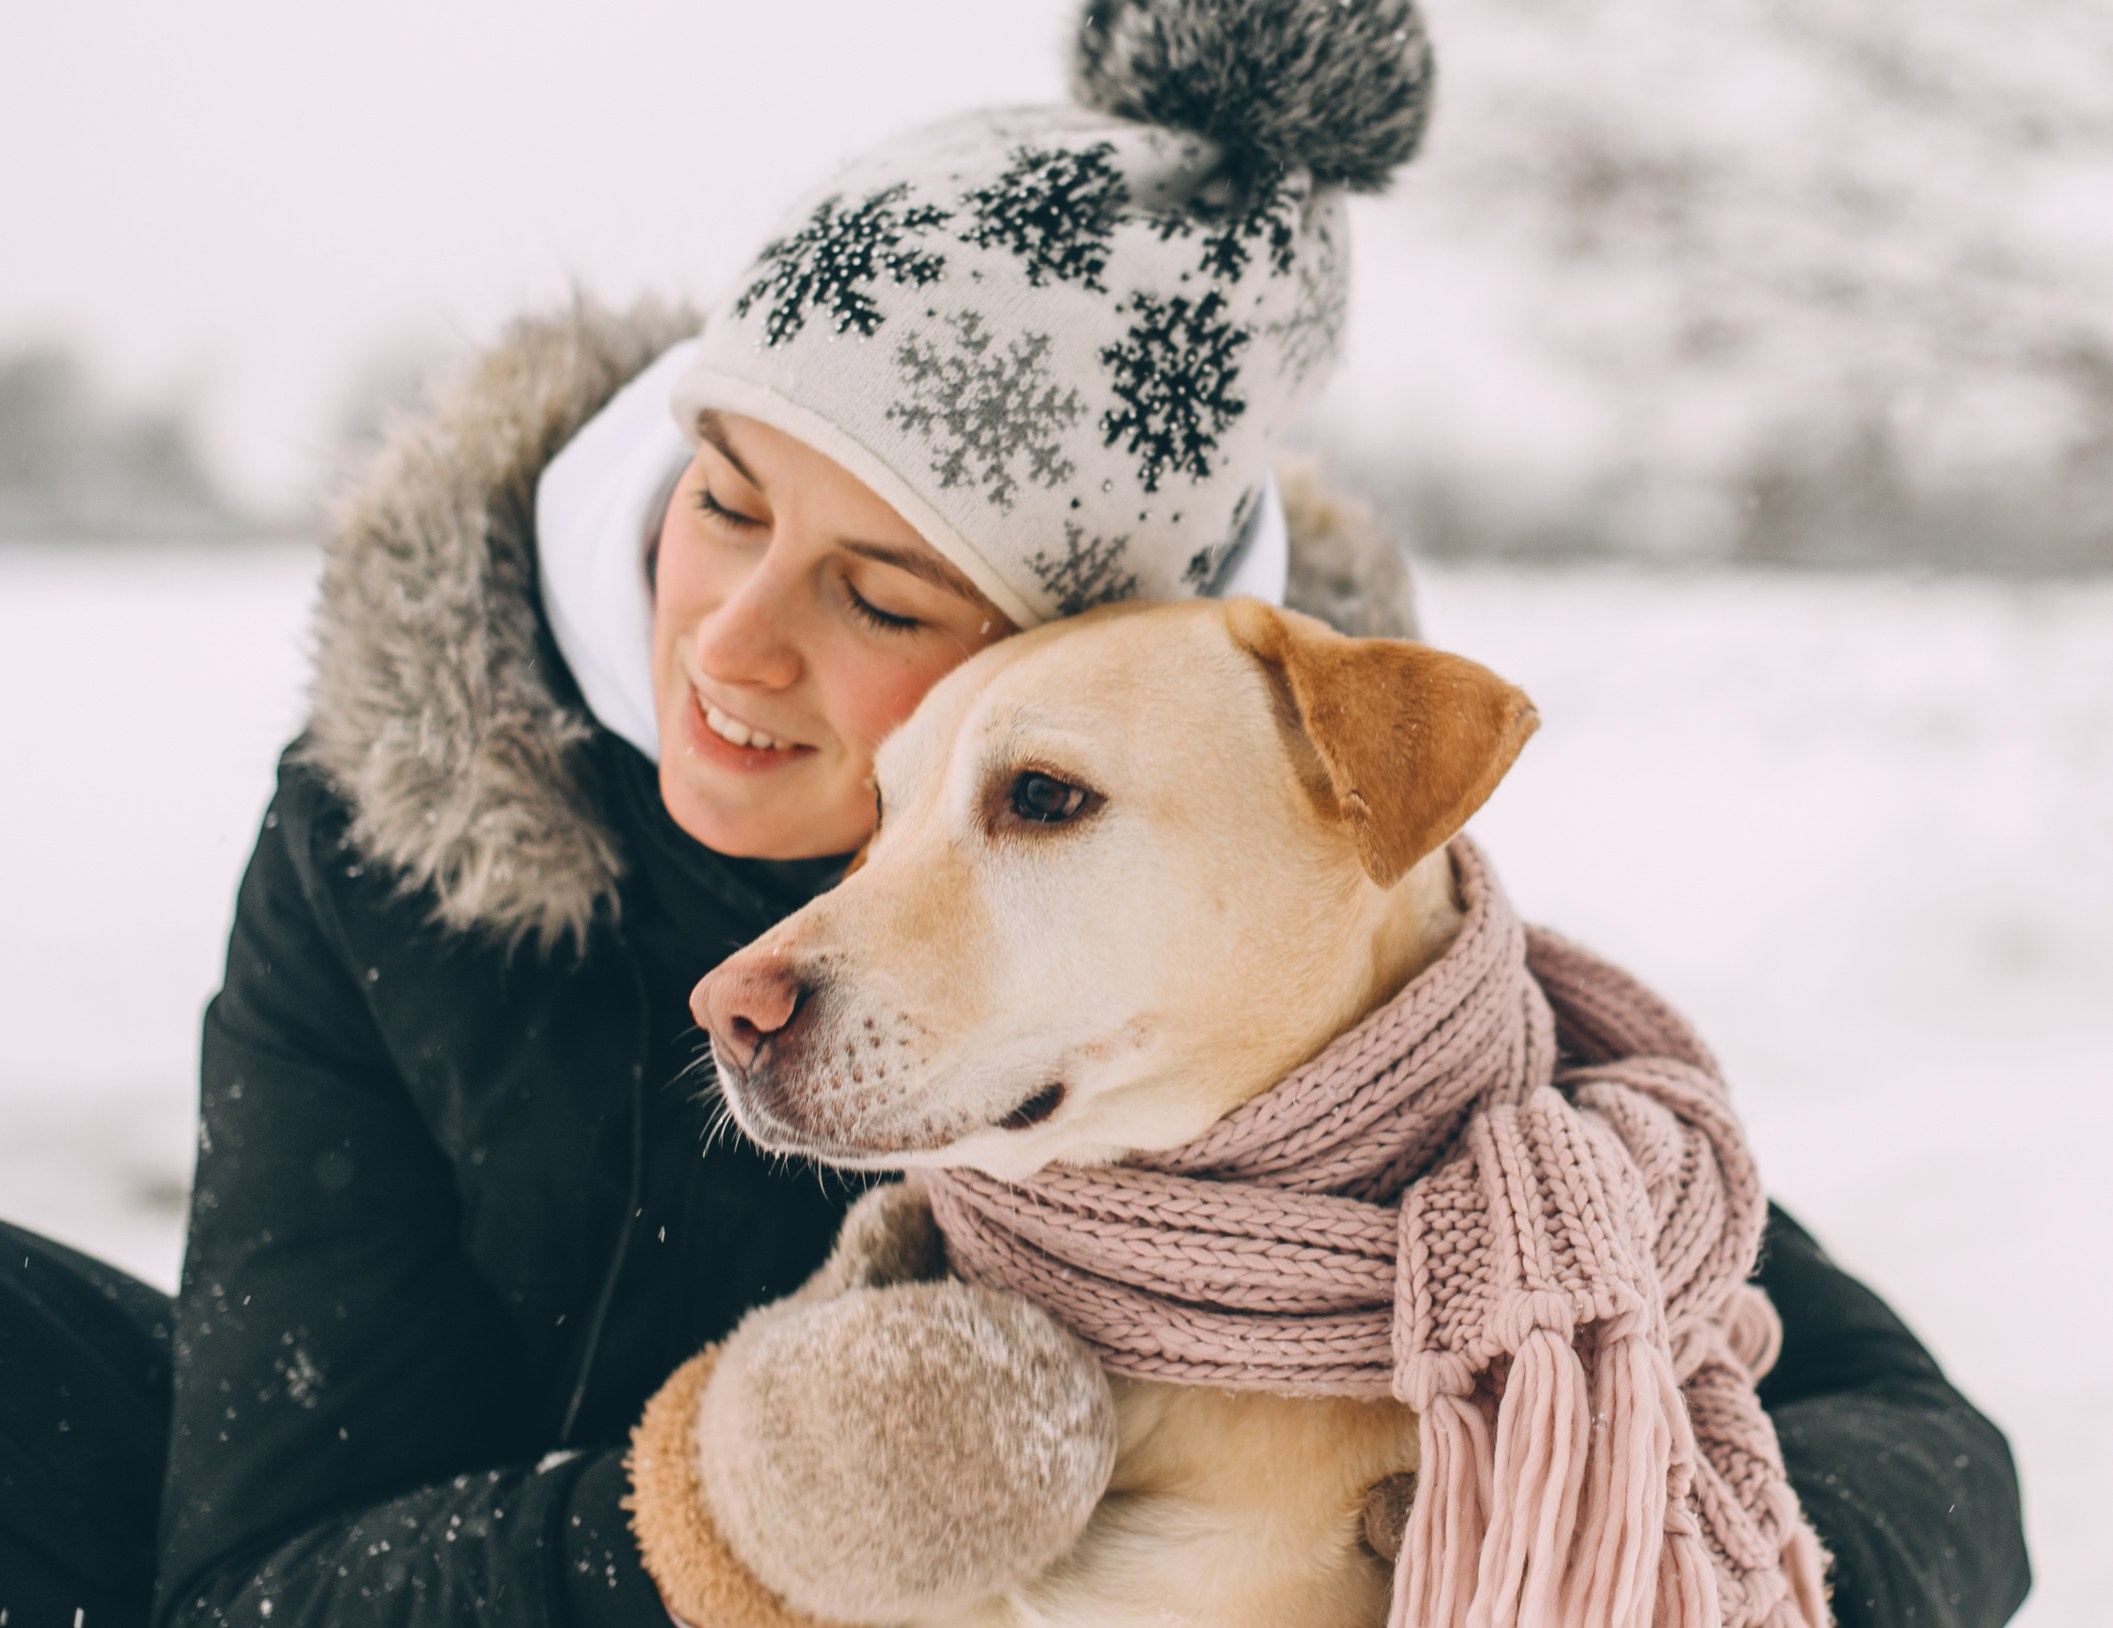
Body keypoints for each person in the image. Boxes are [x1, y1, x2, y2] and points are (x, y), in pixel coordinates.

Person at [0, 3, 2029, 1625]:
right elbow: (259, 1578)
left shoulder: (1306, 939)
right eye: (721, 501)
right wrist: (722, 1518)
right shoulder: (392, 858)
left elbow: (1920, 1452)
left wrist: (1504, 1538)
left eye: (887, 598)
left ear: (1082, 658)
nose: (732, 642)